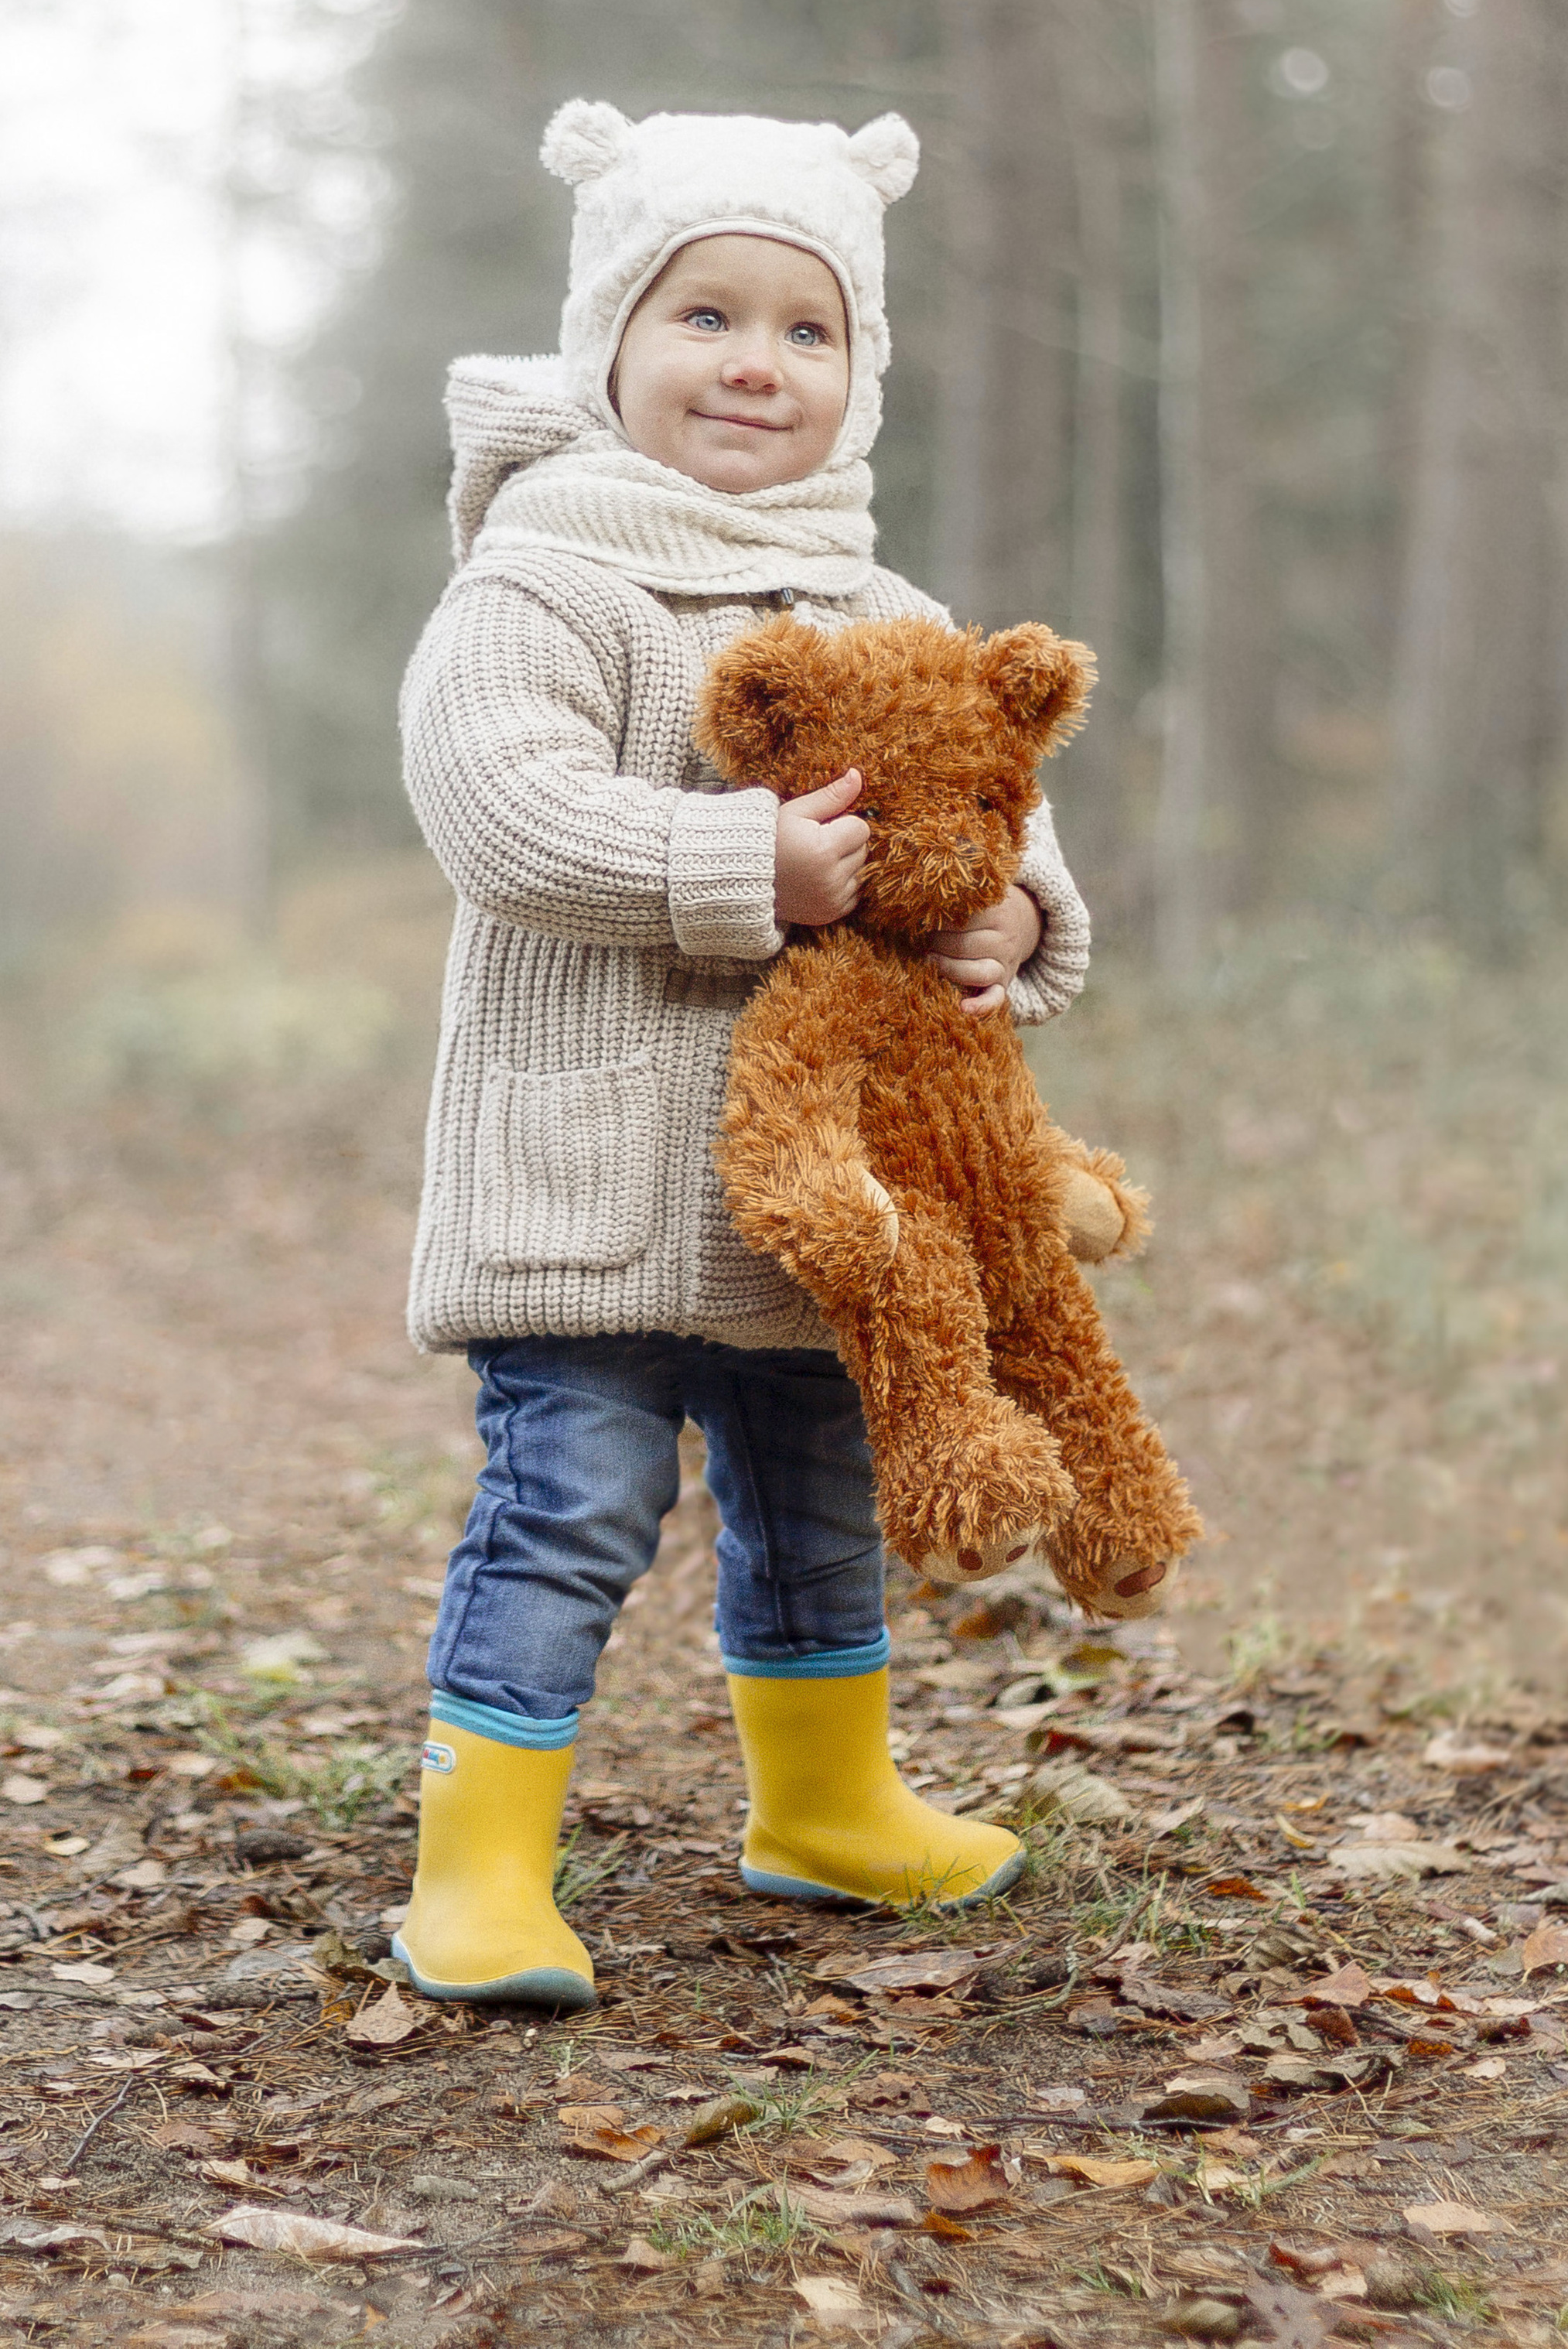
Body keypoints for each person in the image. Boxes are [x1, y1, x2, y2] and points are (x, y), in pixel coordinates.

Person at [392, 101, 1092, 2010]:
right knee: (573, 1508)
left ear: (858, 375)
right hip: (594, 1182)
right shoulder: (543, 576)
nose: (753, 363)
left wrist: (1008, 924)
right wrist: (738, 860)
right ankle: (478, 1865)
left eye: (806, 329)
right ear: (605, 342)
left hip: (835, 1203)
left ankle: (825, 1802)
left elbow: (1002, 816)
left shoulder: (888, 608)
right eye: (703, 314)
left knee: (821, 1494)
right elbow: (498, 811)